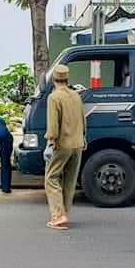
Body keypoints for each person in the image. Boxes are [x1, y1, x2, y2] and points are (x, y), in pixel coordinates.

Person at [43, 64, 86, 230]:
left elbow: (53, 126)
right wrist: (83, 137)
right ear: (67, 79)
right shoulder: (76, 96)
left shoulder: (54, 97)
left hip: (63, 144)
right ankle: (65, 213)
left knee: (51, 178)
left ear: (53, 79)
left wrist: (50, 143)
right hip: (78, 144)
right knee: (69, 180)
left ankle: (58, 216)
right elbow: (83, 119)